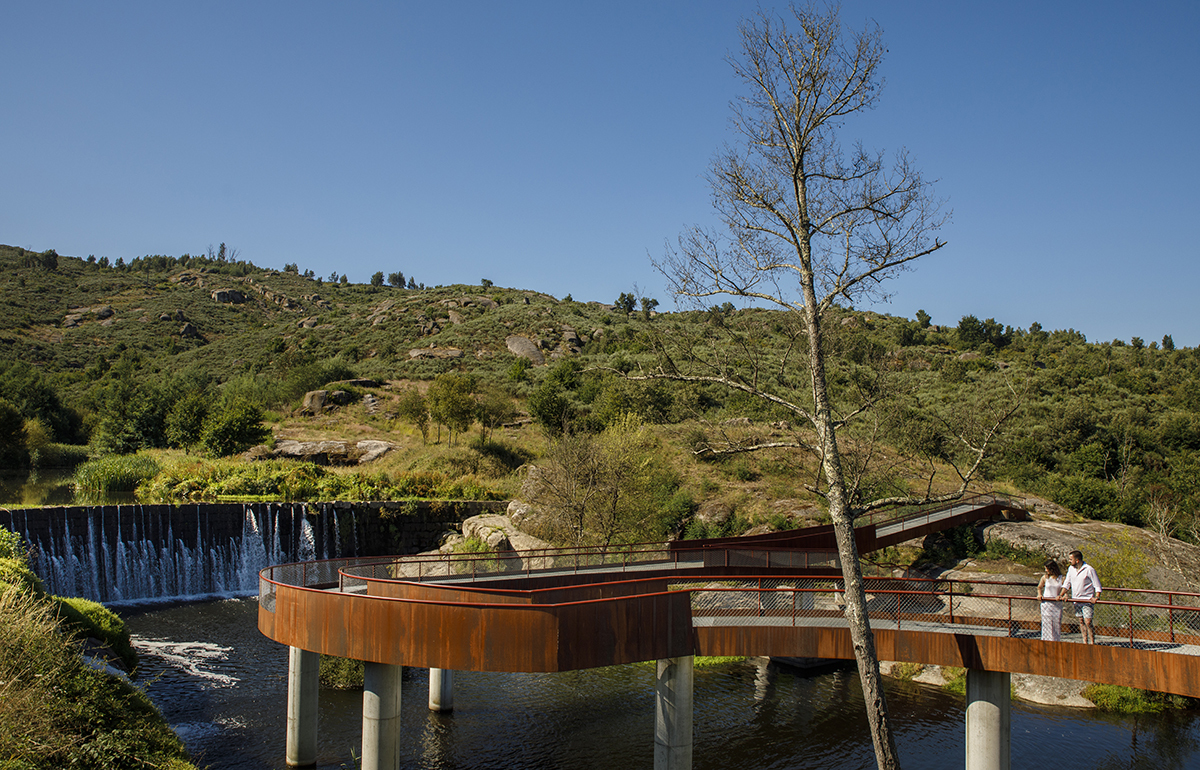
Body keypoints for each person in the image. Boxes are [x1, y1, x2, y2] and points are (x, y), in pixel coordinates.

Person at [1059, 550, 1102, 644]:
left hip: (1087, 600)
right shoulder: (1071, 569)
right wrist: (1061, 594)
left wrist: (1097, 596)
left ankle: (1092, 642)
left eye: (1071, 559)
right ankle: (1085, 641)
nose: (1069, 561)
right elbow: (1067, 583)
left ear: (1077, 560)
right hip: (1076, 599)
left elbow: (1097, 585)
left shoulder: (1089, 569)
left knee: (1088, 621)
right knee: (1081, 621)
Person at [1037, 560, 1064, 641]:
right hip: (1046, 603)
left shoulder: (1061, 578)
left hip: (1056, 604)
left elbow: (1064, 589)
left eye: (1047, 568)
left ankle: (1055, 640)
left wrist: (1062, 595)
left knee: (1056, 623)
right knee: (1046, 623)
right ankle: (1046, 639)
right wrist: (1040, 594)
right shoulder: (1045, 578)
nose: (1046, 570)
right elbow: (1039, 587)